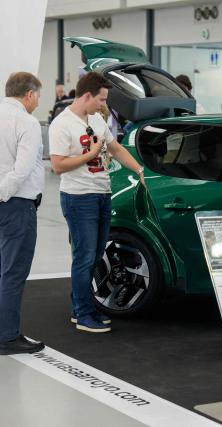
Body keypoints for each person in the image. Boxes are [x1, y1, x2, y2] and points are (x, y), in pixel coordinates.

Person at [49, 72, 146, 333]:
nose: (104, 105)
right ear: (87, 95)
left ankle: (80, 307)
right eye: (101, 99)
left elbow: (116, 149)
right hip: (79, 198)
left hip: (102, 194)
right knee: (84, 257)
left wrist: (139, 169)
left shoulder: (96, 120)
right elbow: (58, 166)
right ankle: (83, 315)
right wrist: (91, 154)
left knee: (94, 256)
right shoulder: (62, 124)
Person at [0, 72, 45, 355]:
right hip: (16, 204)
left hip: (8, 200)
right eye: (38, 96)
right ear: (28, 94)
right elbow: (23, 168)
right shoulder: (26, 122)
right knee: (13, 272)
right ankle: (7, 336)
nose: (38, 102)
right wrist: (3, 193)